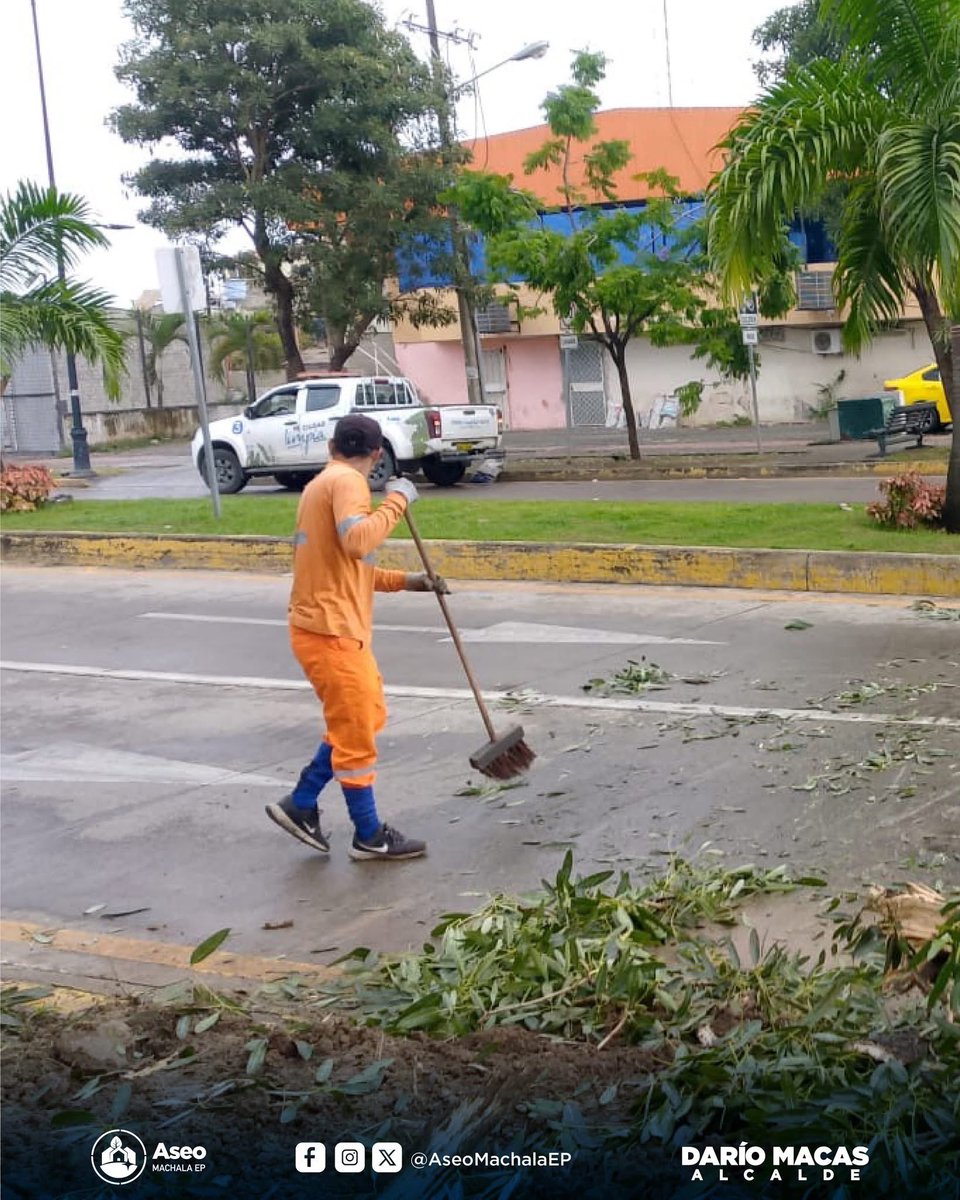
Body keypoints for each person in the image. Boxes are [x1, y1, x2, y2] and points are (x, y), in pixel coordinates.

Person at [266, 414, 447, 861]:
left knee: (364, 717)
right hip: (329, 632)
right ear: (377, 454)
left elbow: (353, 568)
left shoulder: (321, 484)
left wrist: (410, 581)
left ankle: (303, 803)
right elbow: (358, 542)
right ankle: (369, 834)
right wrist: (398, 502)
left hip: (330, 628)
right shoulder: (347, 483)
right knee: (356, 736)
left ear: (331, 445)